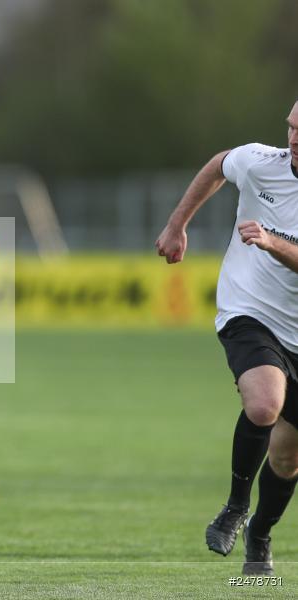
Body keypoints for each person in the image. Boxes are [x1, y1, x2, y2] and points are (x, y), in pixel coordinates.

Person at [155, 100, 298, 575]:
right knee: (264, 404)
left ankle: (260, 532)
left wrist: (273, 242)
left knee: (288, 455)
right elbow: (218, 164)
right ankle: (236, 506)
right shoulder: (263, 163)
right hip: (249, 310)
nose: (293, 138)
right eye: (291, 127)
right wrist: (178, 223)